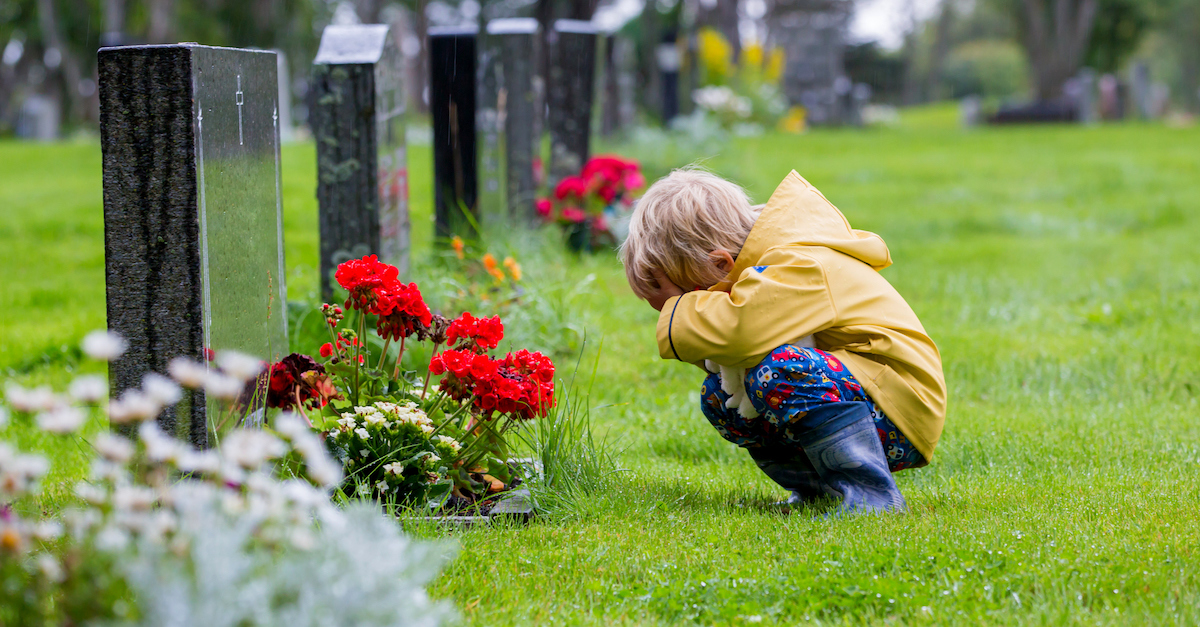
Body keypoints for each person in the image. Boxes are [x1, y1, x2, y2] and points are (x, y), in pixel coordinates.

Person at [619, 168, 946, 515]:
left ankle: (872, 497)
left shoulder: (799, 263)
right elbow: (730, 349)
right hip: (860, 395)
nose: (690, 307)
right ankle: (818, 491)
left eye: (690, 296)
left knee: (781, 370)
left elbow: (739, 332)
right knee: (719, 395)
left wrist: (679, 313)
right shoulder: (773, 263)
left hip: (898, 410)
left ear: (719, 263)